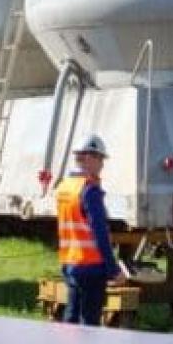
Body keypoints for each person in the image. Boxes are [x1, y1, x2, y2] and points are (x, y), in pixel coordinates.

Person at [55, 133, 129, 326]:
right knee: (89, 326)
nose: (102, 165)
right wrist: (114, 270)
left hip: (70, 263)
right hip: (90, 266)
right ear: (89, 157)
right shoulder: (89, 190)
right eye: (100, 159)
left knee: (71, 318)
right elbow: (100, 234)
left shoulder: (65, 187)